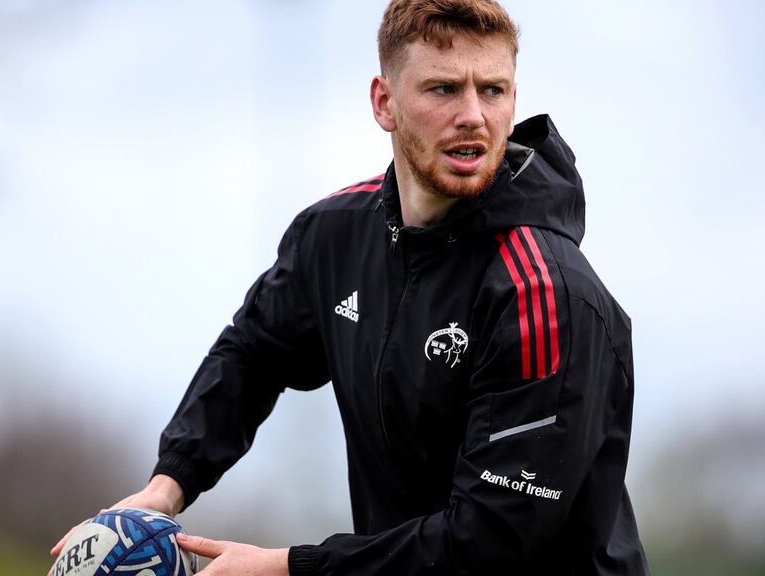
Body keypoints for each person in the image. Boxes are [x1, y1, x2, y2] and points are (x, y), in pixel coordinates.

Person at [52, 0, 649, 574]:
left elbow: (491, 541)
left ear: (514, 100)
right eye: (444, 89)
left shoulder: (544, 296)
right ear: (385, 103)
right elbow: (254, 352)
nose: (473, 114)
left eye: (492, 90)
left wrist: (292, 568)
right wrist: (169, 483)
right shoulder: (334, 236)